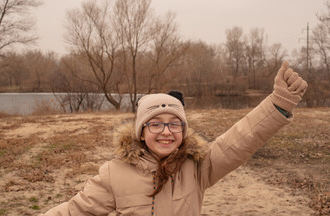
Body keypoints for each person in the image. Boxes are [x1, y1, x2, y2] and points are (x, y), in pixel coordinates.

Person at [39, 61, 308, 216]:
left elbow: (242, 139)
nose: (166, 132)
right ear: (141, 132)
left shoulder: (199, 166)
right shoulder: (114, 173)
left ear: (183, 130)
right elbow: (75, 211)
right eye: (155, 124)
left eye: (174, 125)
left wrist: (278, 105)